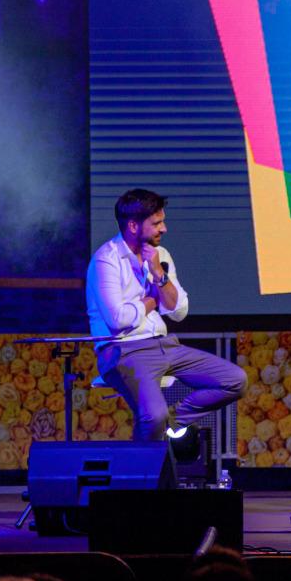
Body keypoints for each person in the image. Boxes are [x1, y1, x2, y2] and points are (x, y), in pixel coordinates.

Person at [86, 188, 247, 440]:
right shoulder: (107, 259)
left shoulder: (160, 256)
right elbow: (118, 321)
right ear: (133, 226)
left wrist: (158, 275)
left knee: (235, 379)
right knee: (153, 416)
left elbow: (179, 311)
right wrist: (152, 300)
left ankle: (172, 420)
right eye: (157, 223)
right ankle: (142, 475)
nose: (164, 229)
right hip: (124, 351)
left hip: (164, 345)